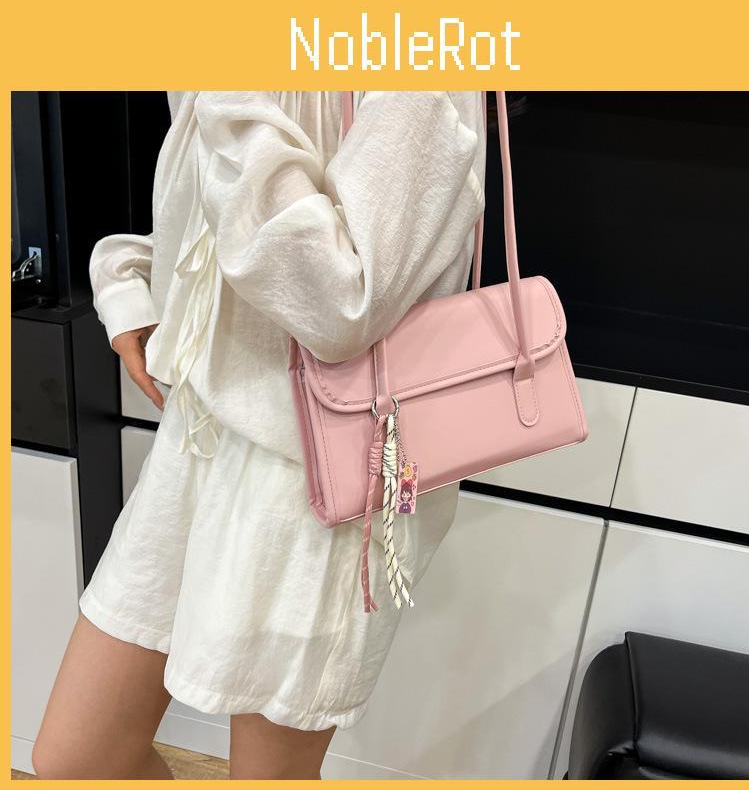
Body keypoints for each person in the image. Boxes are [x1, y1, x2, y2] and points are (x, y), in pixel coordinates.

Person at [32, 91, 486, 780]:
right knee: (78, 760)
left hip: (324, 478)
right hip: (202, 438)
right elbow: (220, 201)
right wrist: (132, 283)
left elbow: (340, 302)